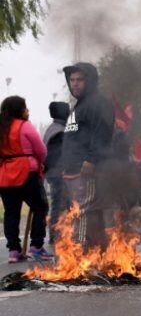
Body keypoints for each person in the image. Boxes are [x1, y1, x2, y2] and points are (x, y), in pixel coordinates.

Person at [61, 62, 115, 249]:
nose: (74, 84)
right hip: (72, 170)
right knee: (80, 211)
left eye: (80, 80)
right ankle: (94, 253)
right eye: (72, 80)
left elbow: (103, 133)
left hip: (87, 170)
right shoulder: (78, 106)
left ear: (90, 81)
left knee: (83, 211)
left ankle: (80, 252)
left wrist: (92, 159)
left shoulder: (99, 103)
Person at [0, 96, 51, 262]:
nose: (27, 110)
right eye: (25, 107)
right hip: (26, 172)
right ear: (19, 109)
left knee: (11, 212)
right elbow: (41, 150)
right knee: (40, 206)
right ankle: (36, 246)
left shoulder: (1, 128)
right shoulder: (25, 125)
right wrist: (42, 162)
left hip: (5, 174)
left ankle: (14, 250)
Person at [42, 101, 70, 244]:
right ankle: (56, 235)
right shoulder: (60, 132)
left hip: (53, 173)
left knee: (59, 204)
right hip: (58, 173)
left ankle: (57, 234)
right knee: (60, 205)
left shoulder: (52, 128)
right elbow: (57, 155)